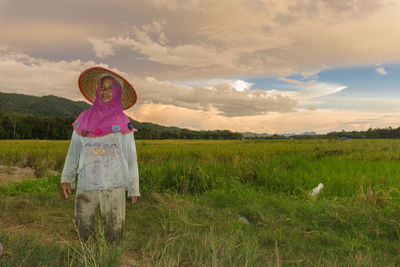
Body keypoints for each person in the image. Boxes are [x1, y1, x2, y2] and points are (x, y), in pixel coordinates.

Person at [60, 67, 140, 245]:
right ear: (97, 90)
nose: (105, 91)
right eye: (102, 87)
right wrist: (67, 177)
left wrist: (134, 186)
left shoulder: (123, 121)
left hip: (115, 182)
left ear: (118, 93)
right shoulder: (83, 118)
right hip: (87, 179)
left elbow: (131, 156)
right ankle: (90, 258)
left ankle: (109, 259)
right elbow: (74, 151)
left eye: (111, 87)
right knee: (83, 223)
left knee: (114, 228)